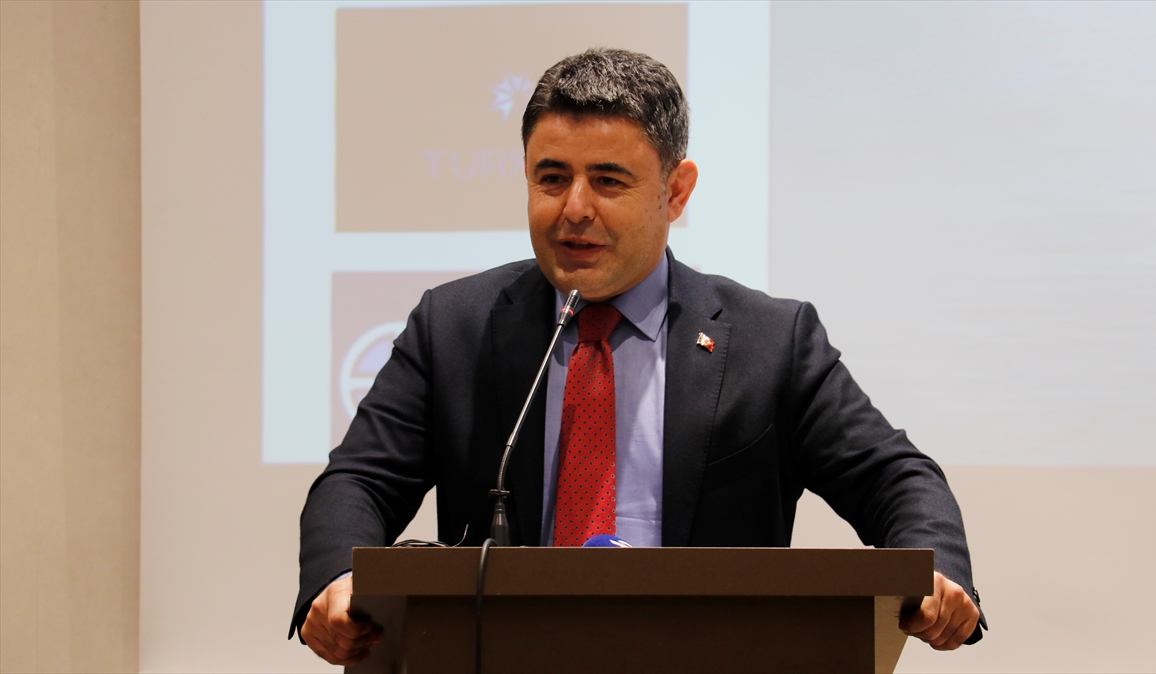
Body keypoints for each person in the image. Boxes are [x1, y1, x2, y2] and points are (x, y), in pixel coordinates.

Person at [292, 48, 986, 666]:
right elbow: (360, 480)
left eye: (608, 181)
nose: (574, 208)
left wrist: (938, 571)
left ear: (675, 192)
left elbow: (892, 475)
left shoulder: (771, 340)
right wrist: (335, 579)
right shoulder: (455, 326)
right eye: (552, 177)